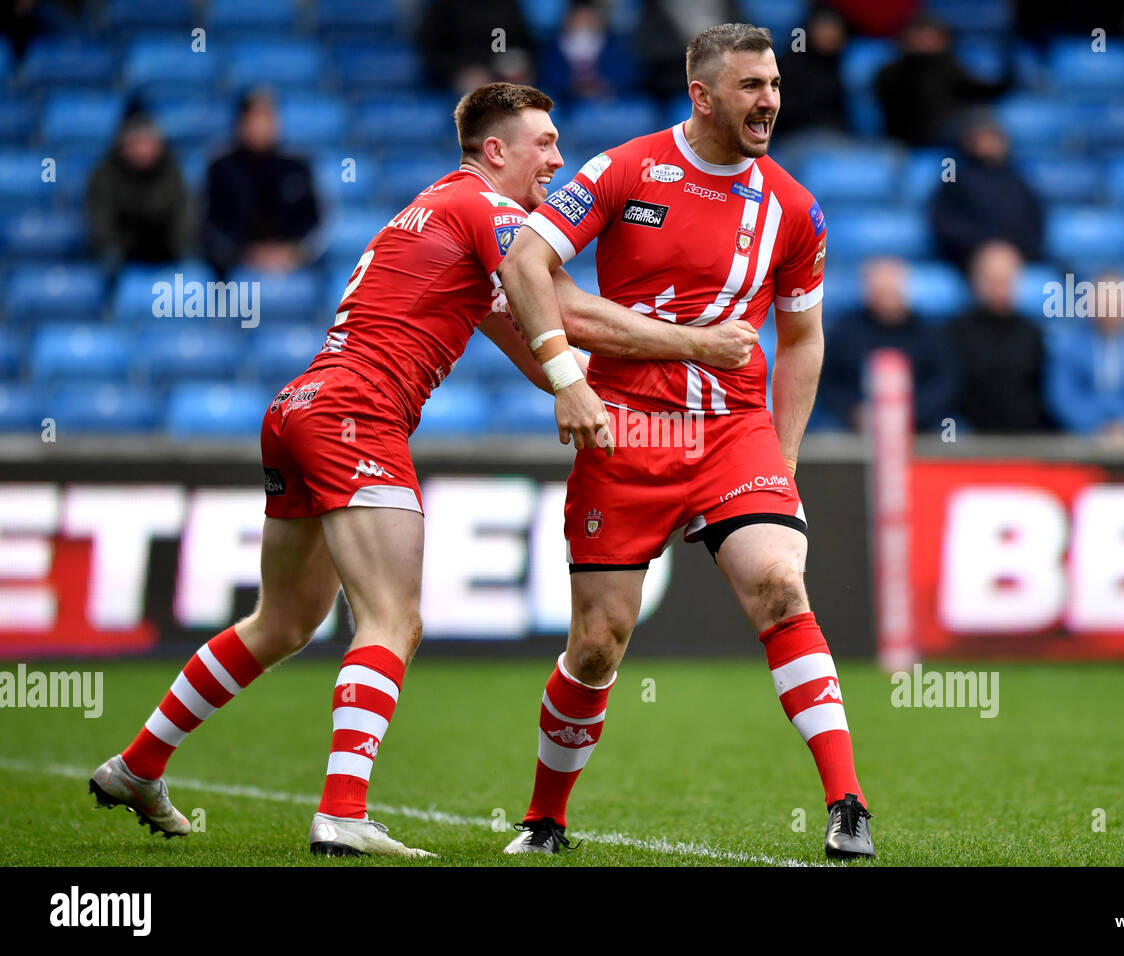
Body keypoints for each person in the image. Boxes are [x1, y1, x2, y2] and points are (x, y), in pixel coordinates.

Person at [88, 83, 760, 859]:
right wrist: (696, 346)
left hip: (300, 407)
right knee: (392, 621)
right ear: (494, 150)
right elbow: (567, 310)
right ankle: (342, 813)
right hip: (358, 416)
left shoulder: (443, 217)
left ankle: (137, 766)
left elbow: (548, 353)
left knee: (284, 622)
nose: (559, 158)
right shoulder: (490, 212)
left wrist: (623, 398)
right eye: (542, 142)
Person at [497, 23, 874, 860]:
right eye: (750, 86)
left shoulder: (794, 206)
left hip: (733, 430)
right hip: (626, 427)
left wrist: (784, 455)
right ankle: (546, 818)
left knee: (780, 587)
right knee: (596, 646)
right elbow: (526, 261)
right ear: (702, 95)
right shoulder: (624, 169)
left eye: (774, 84)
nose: (769, 100)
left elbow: (803, 338)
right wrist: (569, 381)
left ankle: (848, 805)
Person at [819, 257, 956, 431]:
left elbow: (943, 383)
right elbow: (828, 382)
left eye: (890, 290)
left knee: (951, 431)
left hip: (921, 422)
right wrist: (853, 411)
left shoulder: (929, 333)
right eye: (879, 291)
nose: (886, 297)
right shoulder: (844, 332)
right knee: (827, 434)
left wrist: (913, 413)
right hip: (853, 423)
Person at [200, 88, 320, 276]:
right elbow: (209, 224)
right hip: (233, 269)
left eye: (267, 117)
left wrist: (293, 252)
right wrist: (245, 254)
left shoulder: (297, 166)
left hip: (292, 266)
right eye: (254, 118)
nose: (261, 125)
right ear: (241, 122)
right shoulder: (220, 167)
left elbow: (317, 221)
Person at [1044, 271, 1124, 443]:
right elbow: (1062, 396)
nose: (1110, 308)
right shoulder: (1071, 349)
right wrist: (1095, 426)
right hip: (1083, 440)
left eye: (1116, 301)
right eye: (1104, 301)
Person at [947, 241, 1047, 433]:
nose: (999, 288)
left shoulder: (1032, 334)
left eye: (1006, 280)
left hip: (1022, 439)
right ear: (975, 282)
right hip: (969, 438)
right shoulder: (953, 333)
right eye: (993, 280)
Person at [872, 14, 1009, 148]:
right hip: (913, 134)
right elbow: (907, 109)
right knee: (977, 121)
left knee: (985, 116)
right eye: (919, 36)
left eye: (930, 36)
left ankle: (991, 167)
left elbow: (976, 90)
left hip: (951, 127)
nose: (924, 42)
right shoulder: (891, 72)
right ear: (904, 39)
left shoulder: (948, 65)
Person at [929, 111, 1042, 270]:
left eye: (994, 136)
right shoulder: (954, 179)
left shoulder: (1018, 181)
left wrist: (1013, 250)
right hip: (970, 260)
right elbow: (945, 223)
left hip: (1014, 258)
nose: (990, 142)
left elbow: (1034, 225)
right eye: (982, 135)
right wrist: (982, 247)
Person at [86, 107, 189, 268]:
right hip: (122, 260)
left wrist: (174, 247)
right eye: (136, 141)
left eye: (147, 141)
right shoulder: (104, 176)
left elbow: (183, 220)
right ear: (124, 146)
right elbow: (101, 226)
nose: (143, 149)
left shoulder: (172, 172)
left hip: (168, 256)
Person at [774, 4, 848, 134]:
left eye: (833, 27)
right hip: (794, 139)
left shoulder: (846, 64)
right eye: (823, 26)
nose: (829, 34)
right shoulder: (788, 65)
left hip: (839, 139)